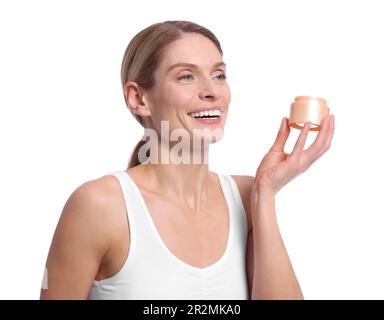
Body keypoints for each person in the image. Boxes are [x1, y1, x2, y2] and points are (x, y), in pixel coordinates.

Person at [40, 20, 335, 300]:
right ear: (138, 98)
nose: (212, 92)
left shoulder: (247, 196)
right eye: (186, 76)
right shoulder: (100, 205)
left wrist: (265, 193)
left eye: (219, 75)